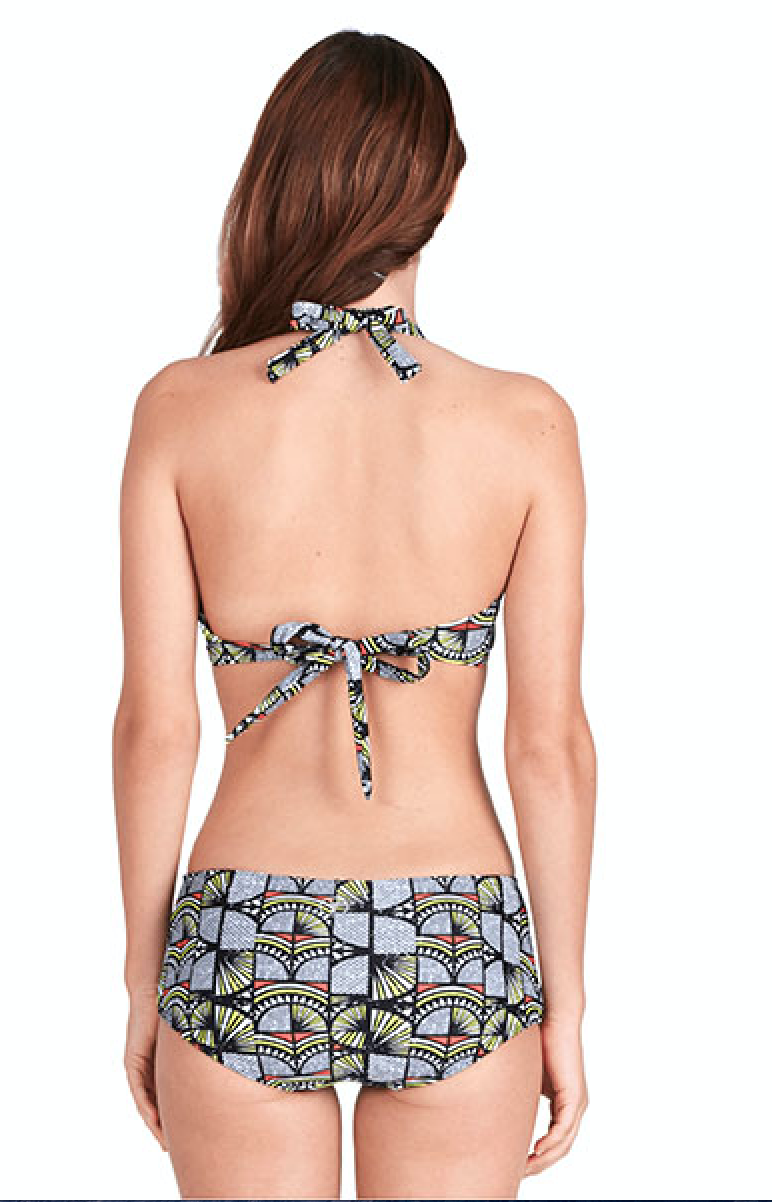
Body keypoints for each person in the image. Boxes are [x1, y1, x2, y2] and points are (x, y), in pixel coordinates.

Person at [113, 28, 595, 1202]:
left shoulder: (181, 407)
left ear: (281, 176)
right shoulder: (526, 422)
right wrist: (568, 1001)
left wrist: (141, 978)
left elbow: (156, 729)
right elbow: (548, 744)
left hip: (244, 924)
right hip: (455, 933)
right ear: (442, 193)